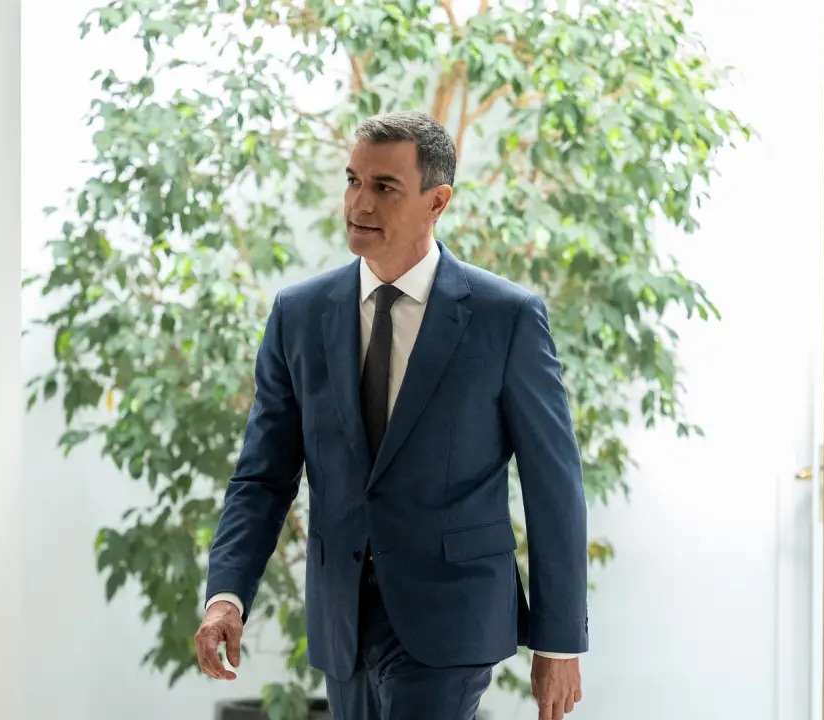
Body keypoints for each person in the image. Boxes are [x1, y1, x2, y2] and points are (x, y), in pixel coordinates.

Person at [194, 111, 588, 720]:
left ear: (437, 201)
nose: (360, 202)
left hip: (452, 619)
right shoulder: (299, 315)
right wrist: (227, 595)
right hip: (342, 619)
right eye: (354, 180)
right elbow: (263, 477)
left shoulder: (504, 318)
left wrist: (557, 642)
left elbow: (553, 485)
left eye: (384, 187)